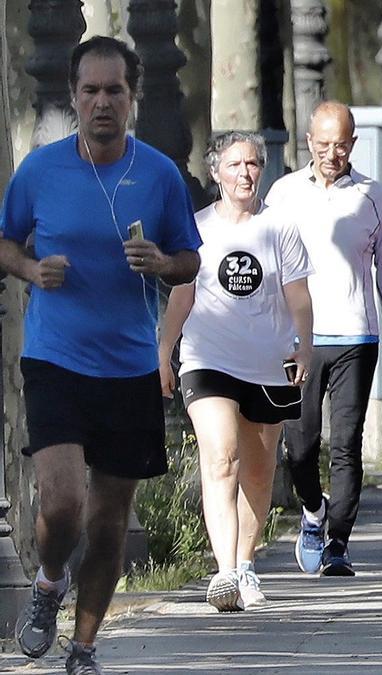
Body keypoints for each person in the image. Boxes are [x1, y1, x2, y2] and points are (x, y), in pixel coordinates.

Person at [0, 36, 201, 672]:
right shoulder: (40, 169)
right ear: (75, 98)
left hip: (130, 367)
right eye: (91, 91)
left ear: (132, 98)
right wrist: (32, 271)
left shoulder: (160, 174)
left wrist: (163, 263)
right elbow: (5, 243)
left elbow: (190, 258)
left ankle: (83, 647)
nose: (102, 102)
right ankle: (49, 582)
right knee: (61, 504)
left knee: (110, 521)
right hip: (56, 360)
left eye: (115, 90)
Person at [158, 131, 315, 610]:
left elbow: (298, 296)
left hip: (269, 363)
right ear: (215, 173)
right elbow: (182, 294)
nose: (245, 173)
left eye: (252, 164)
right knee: (221, 458)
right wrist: (163, 349)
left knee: (260, 471)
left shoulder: (280, 227)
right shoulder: (197, 228)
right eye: (235, 165)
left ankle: (246, 565)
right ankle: (224, 572)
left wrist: (304, 347)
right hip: (209, 359)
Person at [266, 101, 382, 578]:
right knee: (301, 445)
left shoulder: (372, 197)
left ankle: (338, 543)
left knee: (347, 444)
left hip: (356, 334)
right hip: (295, 339)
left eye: (342, 144)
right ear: (308, 141)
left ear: (353, 144)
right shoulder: (283, 194)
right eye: (324, 144)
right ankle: (312, 511)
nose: (333, 153)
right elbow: (266, 265)